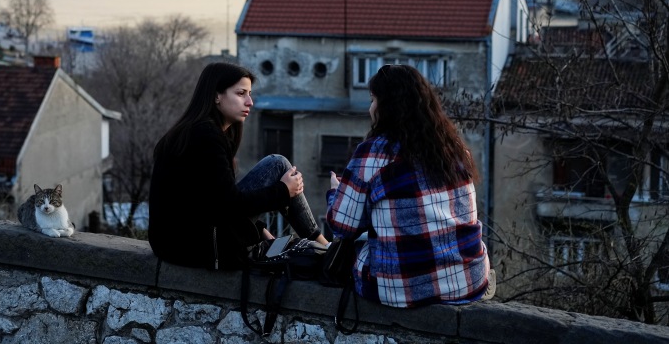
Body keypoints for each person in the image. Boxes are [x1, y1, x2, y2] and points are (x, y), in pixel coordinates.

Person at [325, 64, 491, 307]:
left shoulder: (373, 154)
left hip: (403, 289)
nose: (371, 109)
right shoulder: (455, 151)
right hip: (468, 281)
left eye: (373, 100)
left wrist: (336, 192)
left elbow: (341, 226)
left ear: (386, 106)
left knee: (359, 247)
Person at [149, 62, 328, 270]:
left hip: (177, 244)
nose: (250, 101)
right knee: (278, 165)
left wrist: (258, 229)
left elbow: (209, 200)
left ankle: (324, 247)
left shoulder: (196, 130)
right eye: (241, 93)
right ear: (217, 96)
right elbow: (228, 204)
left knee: (277, 164)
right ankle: (327, 248)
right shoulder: (205, 135)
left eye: (250, 93)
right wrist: (283, 191)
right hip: (195, 247)